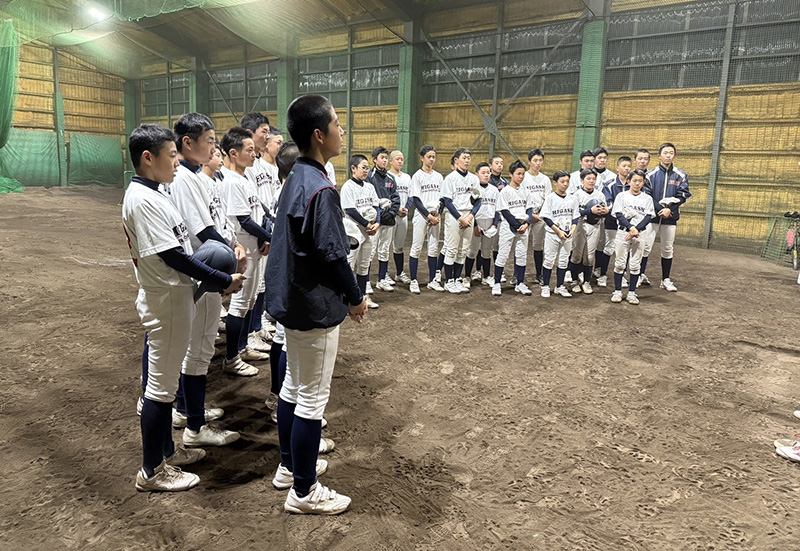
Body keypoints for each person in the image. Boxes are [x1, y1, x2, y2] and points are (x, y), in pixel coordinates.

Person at [123, 124, 244, 492]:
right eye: (171, 155)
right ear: (148, 158)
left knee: (163, 385)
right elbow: (174, 257)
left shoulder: (155, 193)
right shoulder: (142, 200)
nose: (176, 162)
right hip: (167, 301)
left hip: (174, 297)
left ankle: (165, 455)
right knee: (160, 391)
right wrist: (222, 280)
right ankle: (152, 472)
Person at [265, 94, 367, 515]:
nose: (343, 132)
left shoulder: (296, 178)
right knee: (311, 397)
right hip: (313, 304)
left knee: (293, 388)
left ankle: (291, 469)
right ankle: (304, 491)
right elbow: (331, 254)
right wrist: (356, 298)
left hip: (292, 299)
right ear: (320, 135)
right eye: (338, 125)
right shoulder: (321, 187)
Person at [166, 113, 242, 447]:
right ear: (188, 142)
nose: (215, 146)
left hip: (206, 268)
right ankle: (194, 427)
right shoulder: (182, 178)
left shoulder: (199, 177)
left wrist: (233, 243)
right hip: (201, 269)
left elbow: (216, 221)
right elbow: (201, 231)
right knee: (196, 350)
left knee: (199, 348)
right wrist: (228, 252)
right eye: (210, 140)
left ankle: (189, 412)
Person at [220, 127, 270, 375]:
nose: (253, 154)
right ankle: (231, 358)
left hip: (255, 246)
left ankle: (242, 347)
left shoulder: (245, 177)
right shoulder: (230, 181)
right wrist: (270, 236)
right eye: (248, 150)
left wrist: (266, 234)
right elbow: (243, 219)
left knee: (250, 300)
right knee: (239, 304)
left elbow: (259, 211)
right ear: (233, 152)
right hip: (245, 249)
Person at [241, 113, 276, 357]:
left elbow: (265, 203)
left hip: (263, 229)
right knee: (244, 294)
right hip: (250, 233)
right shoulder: (248, 166)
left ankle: (255, 329)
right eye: (264, 130)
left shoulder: (261, 165)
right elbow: (250, 207)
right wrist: (266, 232)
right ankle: (245, 339)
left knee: (260, 286)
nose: (267, 135)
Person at [640, 143, 692, 291]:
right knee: (646, 247)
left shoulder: (681, 175)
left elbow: (682, 195)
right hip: (652, 217)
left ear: (674, 155)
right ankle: (640, 275)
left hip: (670, 218)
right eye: (665, 153)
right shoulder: (650, 175)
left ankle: (666, 279)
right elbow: (647, 195)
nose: (668, 155)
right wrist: (661, 209)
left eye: (671, 153)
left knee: (667, 248)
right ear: (659, 156)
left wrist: (670, 210)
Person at [341, 154, 381, 308]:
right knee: (349, 265)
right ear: (353, 168)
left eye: (367, 168)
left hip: (369, 231)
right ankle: (347, 299)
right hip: (353, 233)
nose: (366, 171)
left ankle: (363, 296)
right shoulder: (348, 187)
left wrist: (377, 223)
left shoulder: (370, 187)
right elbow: (350, 209)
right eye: (363, 167)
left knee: (364, 265)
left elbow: (376, 206)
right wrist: (366, 224)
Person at [610, 169, 655, 304]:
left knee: (635, 265)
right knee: (619, 263)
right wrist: (631, 228)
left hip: (640, 234)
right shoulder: (622, 196)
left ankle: (632, 293)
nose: (637, 183)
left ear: (644, 182)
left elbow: (648, 216)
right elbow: (618, 214)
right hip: (623, 233)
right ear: (629, 181)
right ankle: (617, 291)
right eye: (634, 181)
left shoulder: (647, 198)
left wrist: (636, 230)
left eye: (640, 181)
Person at [441, 148, 481, 293]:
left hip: (468, 216)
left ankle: (458, 278)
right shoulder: (450, 178)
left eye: (469, 158)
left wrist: (470, 216)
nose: (467, 160)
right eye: (464, 157)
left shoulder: (474, 179)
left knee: (463, 249)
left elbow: (478, 200)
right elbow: (447, 201)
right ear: (456, 160)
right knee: (451, 249)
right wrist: (460, 218)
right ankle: (449, 280)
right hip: (455, 216)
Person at [492, 160, 534, 296]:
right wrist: (517, 226)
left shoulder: (526, 191)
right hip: (508, 226)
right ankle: (497, 283)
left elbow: (530, 210)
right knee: (503, 254)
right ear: (511, 174)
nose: (521, 177)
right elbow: (504, 211)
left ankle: (520, 283)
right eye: (518, 174)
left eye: (522, 174)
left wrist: (526, 224)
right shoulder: (505, 191)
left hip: (523, 227)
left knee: (521, 255)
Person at [408, 145, 444, 293]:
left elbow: (443, 198)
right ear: (422, 158)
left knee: (434, 248)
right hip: (422, 216)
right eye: (429, 157)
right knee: (416, 247)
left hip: (435, 217)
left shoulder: (438, 176)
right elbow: (416, 200)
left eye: (433, 157)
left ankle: (432, 281)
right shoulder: (417, 176)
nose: (432, 159)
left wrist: (438, 215)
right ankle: (414, 280)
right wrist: (428, 216)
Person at [540, 170, 580, 298]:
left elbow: (575, 217)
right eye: (562, 182)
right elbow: (546, 217)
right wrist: (558, 231)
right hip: (553, 234)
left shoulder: (572, 198)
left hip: (568, 234)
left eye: (567, 181)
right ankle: (545, 286)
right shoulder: (550, 198)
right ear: (555, 183)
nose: (565, 184)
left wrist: (573, 229)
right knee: (549, 260)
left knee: (563, 261)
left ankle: (559, 286)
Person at [569, 168, 608, 295]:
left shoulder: (600, 195)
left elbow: (604, 210)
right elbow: (574, 213)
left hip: (595, 226)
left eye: (593, 179)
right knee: (576, 255)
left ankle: (586, 282)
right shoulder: (576, 195)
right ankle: (574, 281)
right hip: (580, 225)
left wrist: (605, 212)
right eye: (588, 179)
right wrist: (589, 211)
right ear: (582, 180)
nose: (591, 181)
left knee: (589, 256)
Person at [367, 146, 400, 293]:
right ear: (374, 160)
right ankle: (366, 281)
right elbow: (368, 198)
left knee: (384, 250)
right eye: (382, 158)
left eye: (386, 158)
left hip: (389, 220)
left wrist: (392, 212)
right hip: (374, 221)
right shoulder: (369, 177)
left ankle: (381, 279)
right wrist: (378, 213)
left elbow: (396, 198)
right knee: (370, 251)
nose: (385, 160)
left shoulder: (391, 178)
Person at [596, 155, 632, 287]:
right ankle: (603, 275)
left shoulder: (632, 184)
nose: (627, 169)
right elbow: (608, 202)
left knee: (624, 249)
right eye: (624, 166)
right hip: (611, 222)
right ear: (617, 168)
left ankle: (622, 275)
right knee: (609, 248)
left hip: (627, 224)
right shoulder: (610, 184)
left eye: (629, 166)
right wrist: (617, 213)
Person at [465, 162, 499, 285]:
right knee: (472, 250)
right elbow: (469, 208)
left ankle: (486, 276)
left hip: (489, 224)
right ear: (476, 174)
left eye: (488, 172)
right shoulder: (474, 190)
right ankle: (467, 276)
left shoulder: (494, 190)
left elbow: (497, 209)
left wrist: (494, 225)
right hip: (476, 222)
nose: (486, 175)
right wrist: (474, 225)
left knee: (486, 251)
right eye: (483, 173)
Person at [521, 148, 551, 283]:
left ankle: (539, 274)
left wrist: (539, 215)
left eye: (540, 161)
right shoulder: (523, 177)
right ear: (529, 162)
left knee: (538, 246)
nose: (538, 163)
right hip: (524, 215)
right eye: (535, 160)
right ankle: (517, 275)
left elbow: (548, 199)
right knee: (520, 245)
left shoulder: (545, 179)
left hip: (540, 216)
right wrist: (529, 215)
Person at [388, 150, 413, 285]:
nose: (400, 161)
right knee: (385, 246)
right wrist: (396, 209)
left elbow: (411, 196)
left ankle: (399, 273)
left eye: (402, 159)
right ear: (391, 161)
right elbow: (386, 197)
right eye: (397, 159)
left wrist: (407, 208)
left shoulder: (407, 177)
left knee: (399, 246)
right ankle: (384, 274)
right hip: (391, 215)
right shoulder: (387, 176)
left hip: (403, 215)